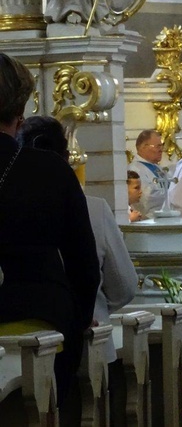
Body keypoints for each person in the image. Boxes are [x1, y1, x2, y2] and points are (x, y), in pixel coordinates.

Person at [0, 54, 100, 410]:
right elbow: (85, 265)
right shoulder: (50, 170)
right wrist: (77, 322)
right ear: (19, 114)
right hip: (42, 320)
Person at [16, 115, 139, 379]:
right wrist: (96, 306)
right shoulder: (94, 208)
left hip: (18, 348)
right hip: (88, 339)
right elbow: (125, 285)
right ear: (66, 157)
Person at [128, 130, 169, 217]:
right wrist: (173, 194)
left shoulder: (158, 168)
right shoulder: (135, 169)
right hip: (148, 220)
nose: (161, 150)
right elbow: (147, 198)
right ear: (143, 147)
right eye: (157, 146)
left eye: (161, 146)